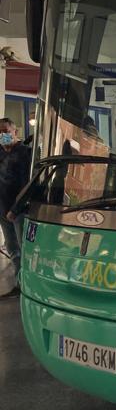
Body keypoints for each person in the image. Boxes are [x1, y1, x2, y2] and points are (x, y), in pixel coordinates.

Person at [0, 118, 32, 296]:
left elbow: (27, 185)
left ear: (15, 131)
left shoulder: (25, 153)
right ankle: (19, 284)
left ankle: (28, 286)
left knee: (24, 248)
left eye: (5, 131)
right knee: (12, 248)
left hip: (19, 210)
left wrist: (16, 208)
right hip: (3, 210)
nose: (2, 135)